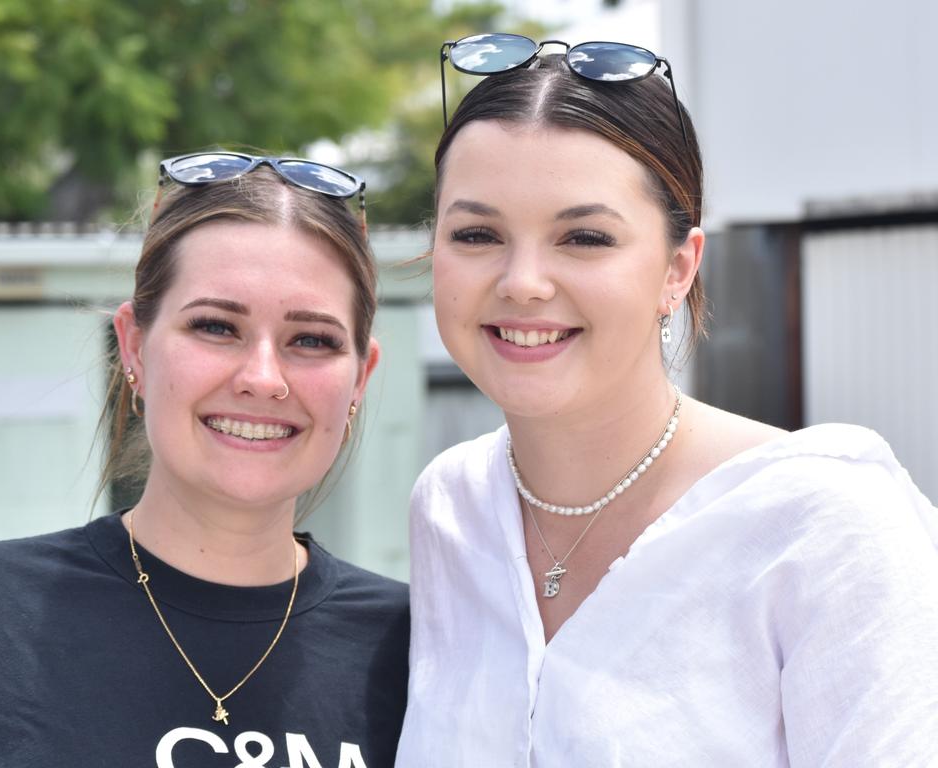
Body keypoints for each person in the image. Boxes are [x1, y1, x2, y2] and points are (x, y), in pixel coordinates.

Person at [396, 34, 938, 766]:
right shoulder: (451, 511)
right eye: (477, 233)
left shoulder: (825, 521)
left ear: (677, 269)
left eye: (584, 237)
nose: (522, 281)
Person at [0, 151, 409, 767]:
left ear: (360, 378)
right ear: (135, 347)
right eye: (216, 327)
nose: (262, 378)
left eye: (311, 340)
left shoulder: (414, 651)